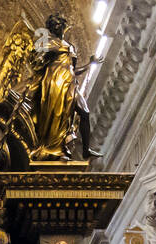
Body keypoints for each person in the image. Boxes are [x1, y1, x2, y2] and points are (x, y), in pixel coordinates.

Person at [30, 14, 101, 161]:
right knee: (56, 116)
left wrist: (90, 64)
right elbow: (35, 61)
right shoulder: (47, 42)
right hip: (55, 82)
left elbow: (73, 70)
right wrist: (40, 57)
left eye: (60, 25)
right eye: (55, 26)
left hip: (70, 83)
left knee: (85, 112)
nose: (59, 28)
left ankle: (86, 150)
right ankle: (54, 149)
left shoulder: (70, 46)